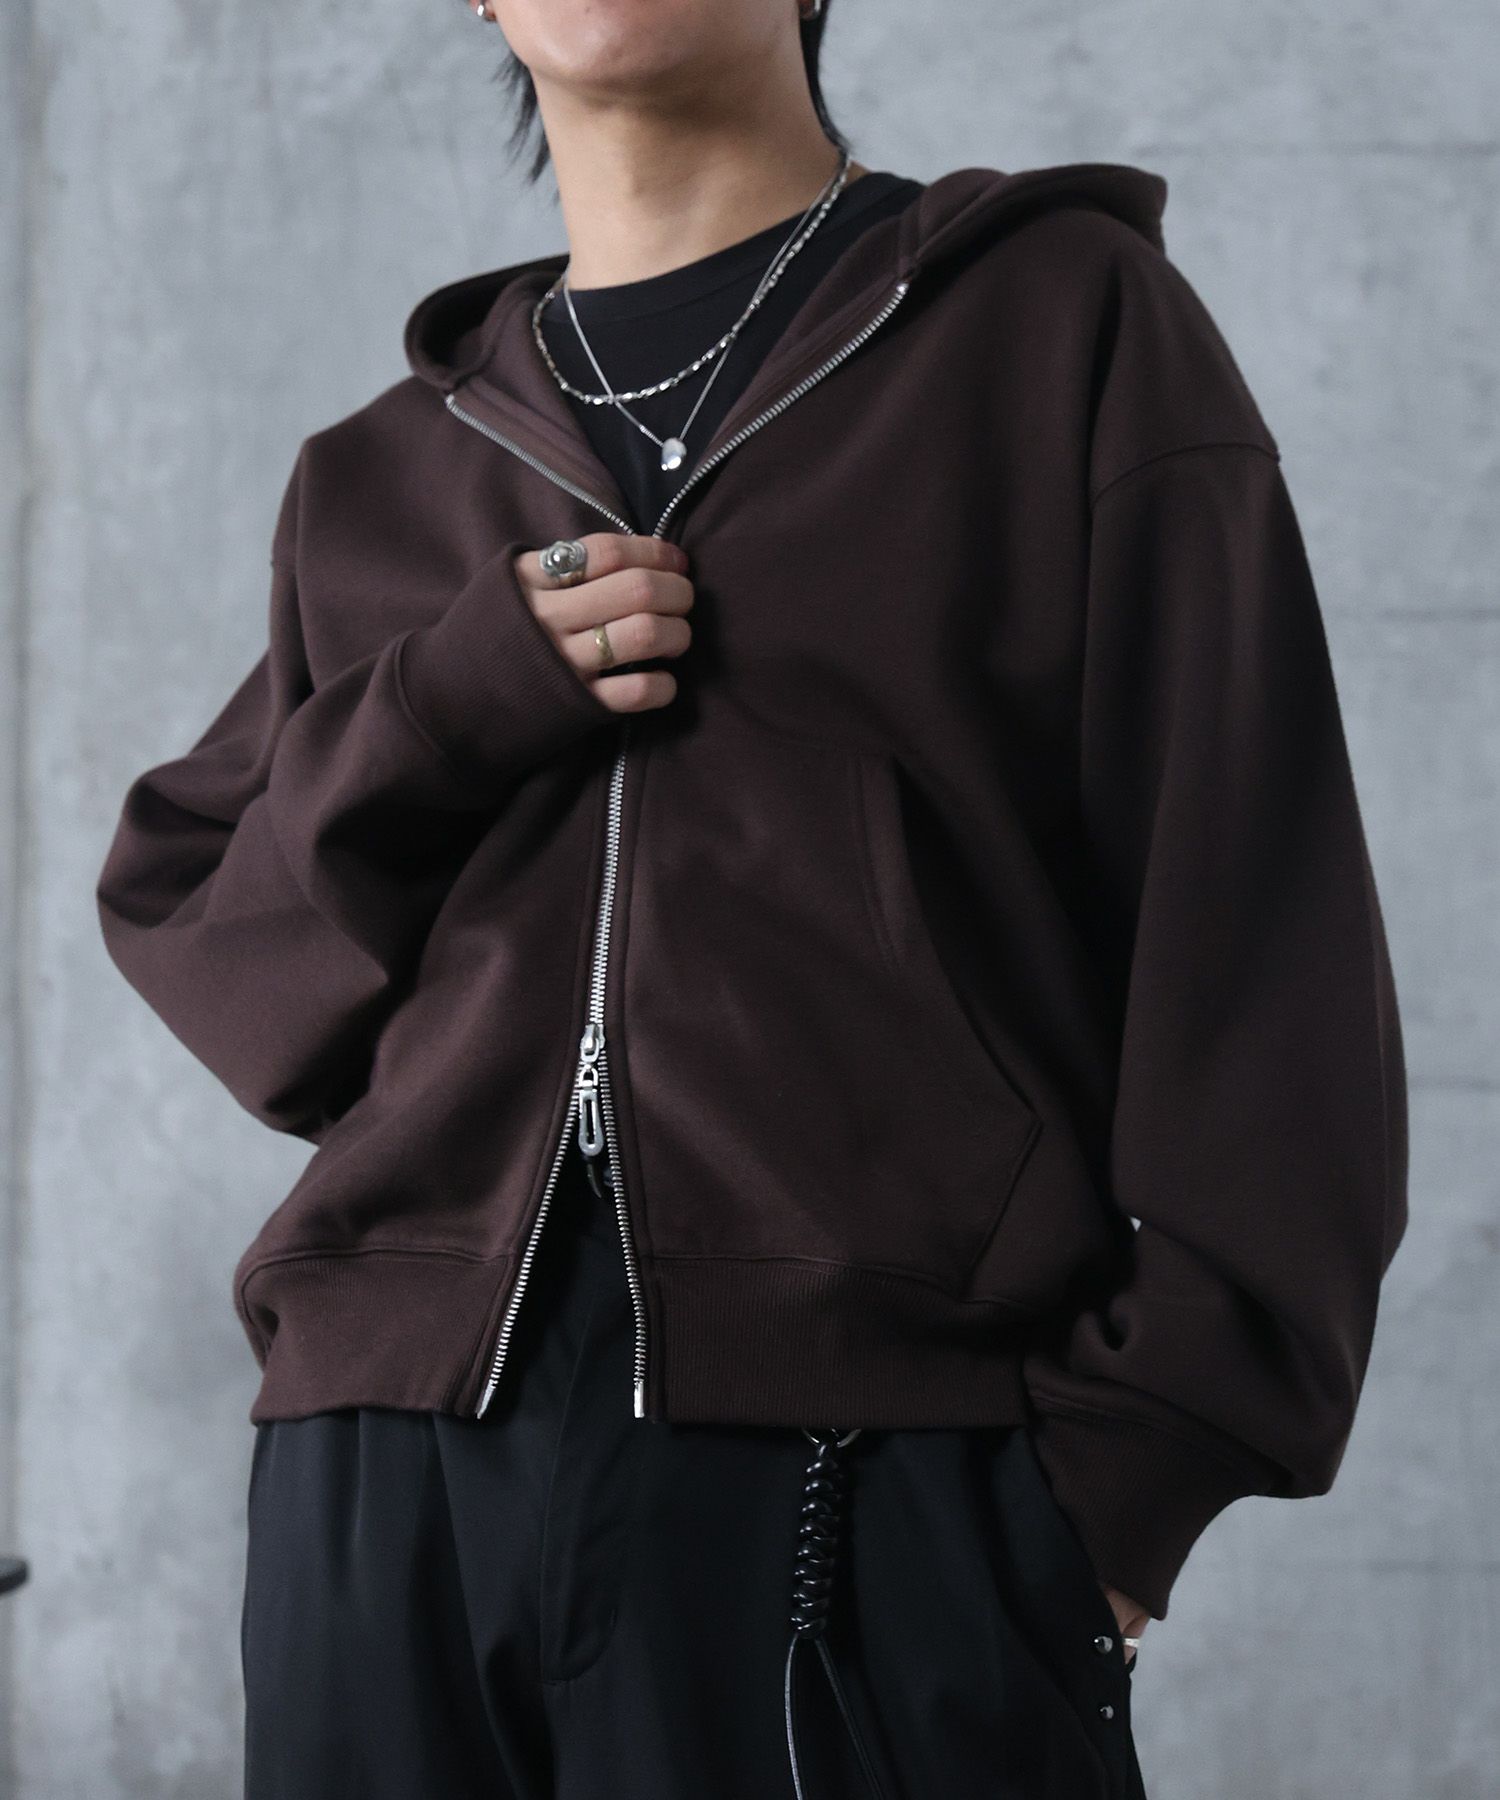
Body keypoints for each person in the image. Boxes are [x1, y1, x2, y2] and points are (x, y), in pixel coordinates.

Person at [94, 1, 1409, 1795]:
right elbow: (215, 936)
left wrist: (1109, 1504)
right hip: (383, 1486)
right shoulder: (379, 476)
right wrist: (451, 701)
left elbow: (1260, 938)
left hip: (873, 1477)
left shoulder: (1058, 330)